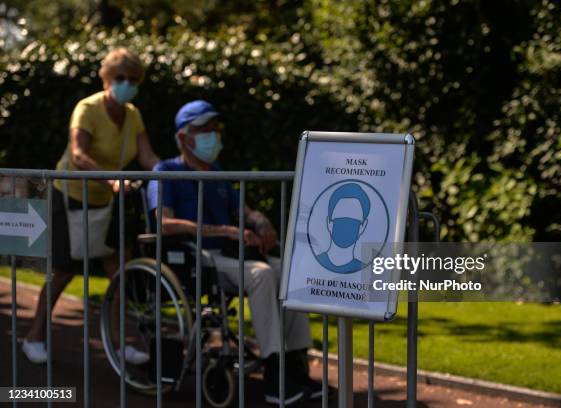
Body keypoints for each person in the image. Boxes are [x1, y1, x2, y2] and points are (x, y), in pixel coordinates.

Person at [147, 100, 321, 405]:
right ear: (184, 137)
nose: (213, 134)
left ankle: (295, 364)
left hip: (228, 256)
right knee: (263, 274)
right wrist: (224, 231)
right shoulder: (166, 170)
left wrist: (261, 222)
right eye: (204, 129)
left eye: (215, 128)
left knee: (291, 270)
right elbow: (164, 223)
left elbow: (244, 211)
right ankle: (273, 375)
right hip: (196, 257)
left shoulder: (218, 173)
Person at [22, 48, 159, 365]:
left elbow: (148, 157)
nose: (127, 84)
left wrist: (169, 174)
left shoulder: (133, 114)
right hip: (69, 195)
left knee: (120, 272)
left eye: (133, 79)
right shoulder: (87, 108)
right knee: (62, 272)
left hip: (107, 201)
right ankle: (34, 336)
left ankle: (121, 341)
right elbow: (79, 154)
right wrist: (111, 181)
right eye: (120, 78)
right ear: (107, 78)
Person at [315, 183, 370, 273]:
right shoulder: (314, 263)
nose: (345, 228)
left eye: (352, 223)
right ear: (329, 223)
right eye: (340, 221)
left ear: (362, 227)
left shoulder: (366, 272)